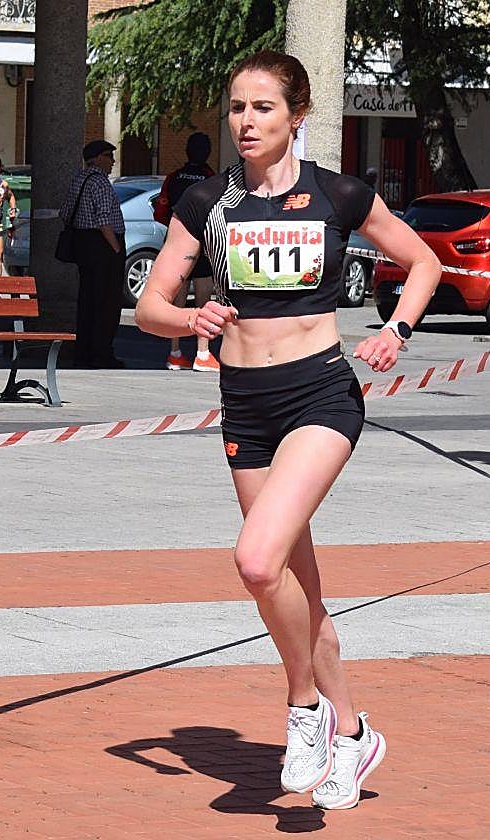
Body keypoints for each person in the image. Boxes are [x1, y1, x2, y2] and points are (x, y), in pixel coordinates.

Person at [135, 51, 440, 810]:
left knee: (254, 560)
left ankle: (305, 707)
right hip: (247, 406)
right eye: (237, 107)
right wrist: (189, 318)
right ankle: (353, 734)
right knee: (297, 586)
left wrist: (396, 331)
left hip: (320, 397)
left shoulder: (338, 193)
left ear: (296, 116)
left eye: (263, 107)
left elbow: (423, 262)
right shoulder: (208, 201)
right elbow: (148, 307)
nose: (246, 121)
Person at [154, 132, 219, 372]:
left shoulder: (173, 177)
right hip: (202, 245)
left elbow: (160, 212)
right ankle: (202, 353)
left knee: (177, 301)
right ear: (207, 153)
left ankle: (175, 353)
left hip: (176, 243)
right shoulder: (211, 178)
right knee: (203, 301)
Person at [60, 139, 126, 368]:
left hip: (83, 244)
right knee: (107, 302)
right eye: (108, 156)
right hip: (103, 245)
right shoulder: (100, 182)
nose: (112, 161)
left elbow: (65, 212)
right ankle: (102, 353)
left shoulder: (79, 179)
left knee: (87, 300)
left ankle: (84, 351)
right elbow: (103, 220)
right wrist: (116, 249)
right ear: (97, 158)